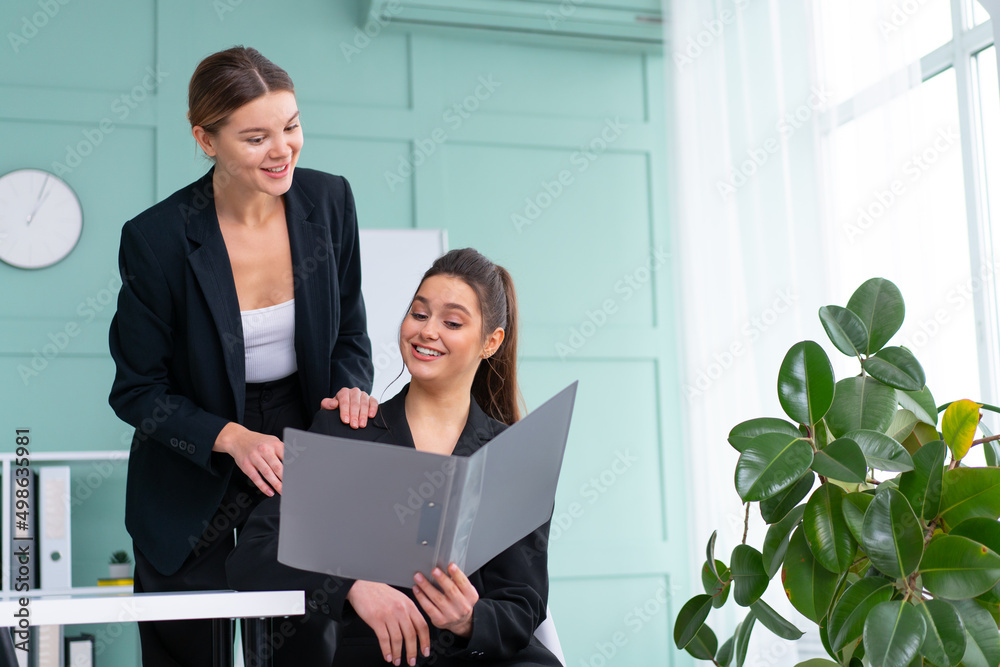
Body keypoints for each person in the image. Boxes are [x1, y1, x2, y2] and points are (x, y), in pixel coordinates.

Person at [107, 46, 378, 666]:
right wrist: (231, 437)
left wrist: (346, 400)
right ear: (205, 139)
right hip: (191, 449)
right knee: (188, 647)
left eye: (292, 126)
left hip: (300, 439)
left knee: (305, 642)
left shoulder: (330, 201)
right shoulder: (156, 238)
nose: (283, 150)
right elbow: (137, 390)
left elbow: (350, 337)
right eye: (255, 137)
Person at [226, 248, 561, 666]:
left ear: (491, 342)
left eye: (452, 322)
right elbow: (253, 552)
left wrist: (468, 619)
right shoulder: (347, 432)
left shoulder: (514, 458)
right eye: (419, 314)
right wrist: (348, 584)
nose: (427, 331)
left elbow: (523, 604)